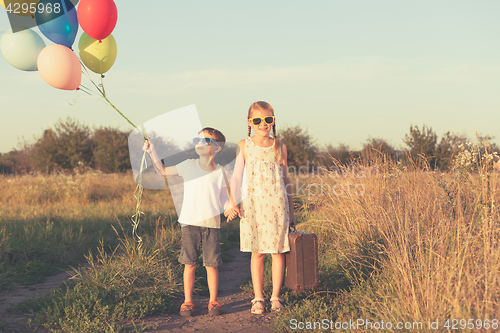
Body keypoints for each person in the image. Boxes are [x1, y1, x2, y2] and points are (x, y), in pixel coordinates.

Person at [143, 127, 238, 317]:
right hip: (189, 223)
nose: (200, 143)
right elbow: (162, 171)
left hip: (212, 224)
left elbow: (223, 199)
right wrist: (152, 151)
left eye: (206, 141)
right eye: (197, 140)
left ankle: (213, 301)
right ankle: (188, 301)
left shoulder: (220, 172)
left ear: (217, 148)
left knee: (212, 264)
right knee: (190, 263)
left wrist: (230, 209)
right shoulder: (188, 165)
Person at [224, 101, 296, 314]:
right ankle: (258, 298)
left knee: (277, 251)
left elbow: (286, 179)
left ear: (273, 120)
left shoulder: (279, 146)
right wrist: (231, 202)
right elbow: (236, 176)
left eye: (268, 119)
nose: (263, 124)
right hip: (252, 206)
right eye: (258, 120)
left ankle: (275, 297)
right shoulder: (244, 145)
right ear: (250, 122)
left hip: (277, 206)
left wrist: (292, 210)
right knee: (257, 252)